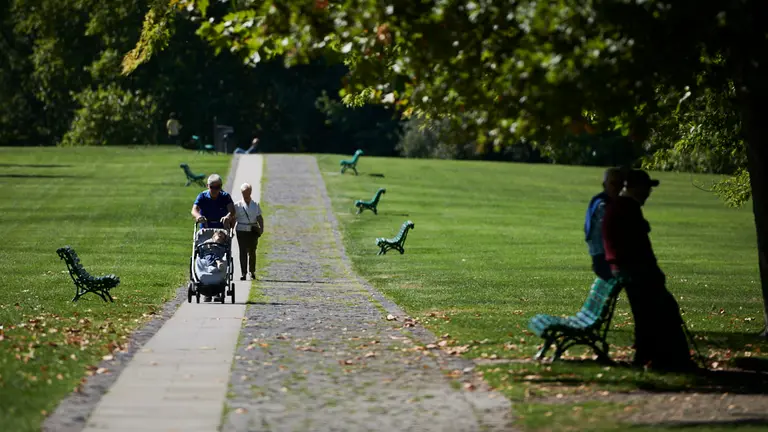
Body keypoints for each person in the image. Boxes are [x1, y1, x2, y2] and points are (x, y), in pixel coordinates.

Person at [602, 169, 696, 371]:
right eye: (645, 189)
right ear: (634, 188)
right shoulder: (627, 208)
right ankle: (668, 359)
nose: (648, 193)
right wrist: (654, 272)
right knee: (661, 311)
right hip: (636, 271)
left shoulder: (622, 206)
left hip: (630, 270)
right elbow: (639, 247)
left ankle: (657, 356)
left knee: (656, 311)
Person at [584, 167, 625, 280]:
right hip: (604, 256)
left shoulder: (605, 202)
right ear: (604, 184)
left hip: (604, 255)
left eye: (620, 183)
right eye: (613, 183)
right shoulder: (603, 204)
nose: (617, 187)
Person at [234, 182, 264, 280]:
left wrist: (261, 229)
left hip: (252, 230)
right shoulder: (237, 205)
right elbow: (234, 218)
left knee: (252, 251)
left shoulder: (255, 205)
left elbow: (259, 218)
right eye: (243, 192)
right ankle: (243, 272)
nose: (245, 194)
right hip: (241, 230)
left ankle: (252, 271)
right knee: (242, 251)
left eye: (246, 192)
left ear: (250, 192)